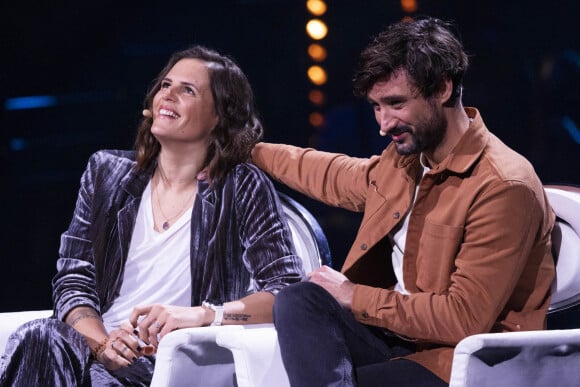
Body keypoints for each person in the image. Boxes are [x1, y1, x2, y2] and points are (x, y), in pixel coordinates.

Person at [251, 17, 555, 386]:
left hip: (462, 361)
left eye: (395, 103)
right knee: (300, 301)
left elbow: (462, 319)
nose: (383, 123)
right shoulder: (407, 161)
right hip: (399, 341)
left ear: (442, 89)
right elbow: (331, 173)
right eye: (376, 107)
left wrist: (352, 295)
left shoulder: (503, 185)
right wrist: (249, 152)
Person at [0, 45, 304, 386]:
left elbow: (287, 293)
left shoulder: (241, 187)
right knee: (41, 337)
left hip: (166, 365)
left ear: (220, 116)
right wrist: (103, 345)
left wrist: (202, 315)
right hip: (91, 353)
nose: (168, 95)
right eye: (165, 85)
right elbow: (73, 280)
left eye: (187, 90)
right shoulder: (107, 173)